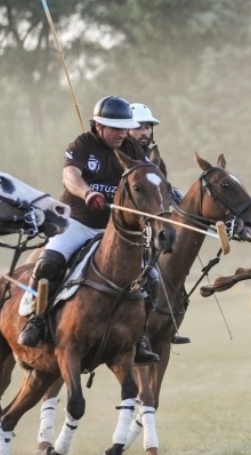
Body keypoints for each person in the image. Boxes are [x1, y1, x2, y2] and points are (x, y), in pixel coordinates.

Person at [18, 95, 160, 364]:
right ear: (99, 126)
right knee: (48, 264)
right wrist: (87, 193)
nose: (122, 134)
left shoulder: (132, 149)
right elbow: (70, 176)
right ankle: (36, 321)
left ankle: (139, 337)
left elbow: (147, 179)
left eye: (124, 128)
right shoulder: (82, 144)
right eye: (116, 129)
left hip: (114, 231)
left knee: (150, 277)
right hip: (78, 223)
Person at [129, 102, 189, 344]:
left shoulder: (150, 157)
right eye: (139, 127)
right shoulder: (116, 153)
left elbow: (158, 188)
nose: (144, 132)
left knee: (165, 272)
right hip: (117, 225)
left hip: (145, 227)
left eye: (148, 127)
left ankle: (165, 324)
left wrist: (172, 193)